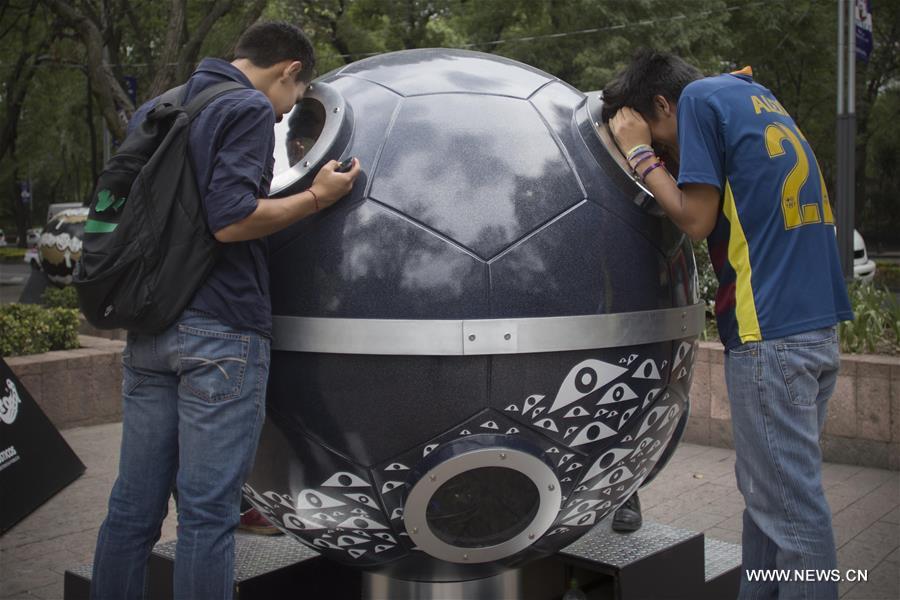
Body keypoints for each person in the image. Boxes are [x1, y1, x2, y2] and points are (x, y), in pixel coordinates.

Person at [91, 22, 360, 600]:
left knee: (132, 508)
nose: (287, 113)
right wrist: (317, 197)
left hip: (151, 328)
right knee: (208, 516)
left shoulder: (161, 107)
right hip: (219, 334)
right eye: (295, 97)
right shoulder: (245, 108)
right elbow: (231, 218)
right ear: (289, 71)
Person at [604, 50, 852, 600]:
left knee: (792, 514)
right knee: (770, 500)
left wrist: (640, 154)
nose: (671, 153)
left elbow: (695, 219)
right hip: (815, 326)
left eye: (664, 137)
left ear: (663, 103)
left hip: (772, 336)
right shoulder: (751, 97)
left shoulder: (695, 101)